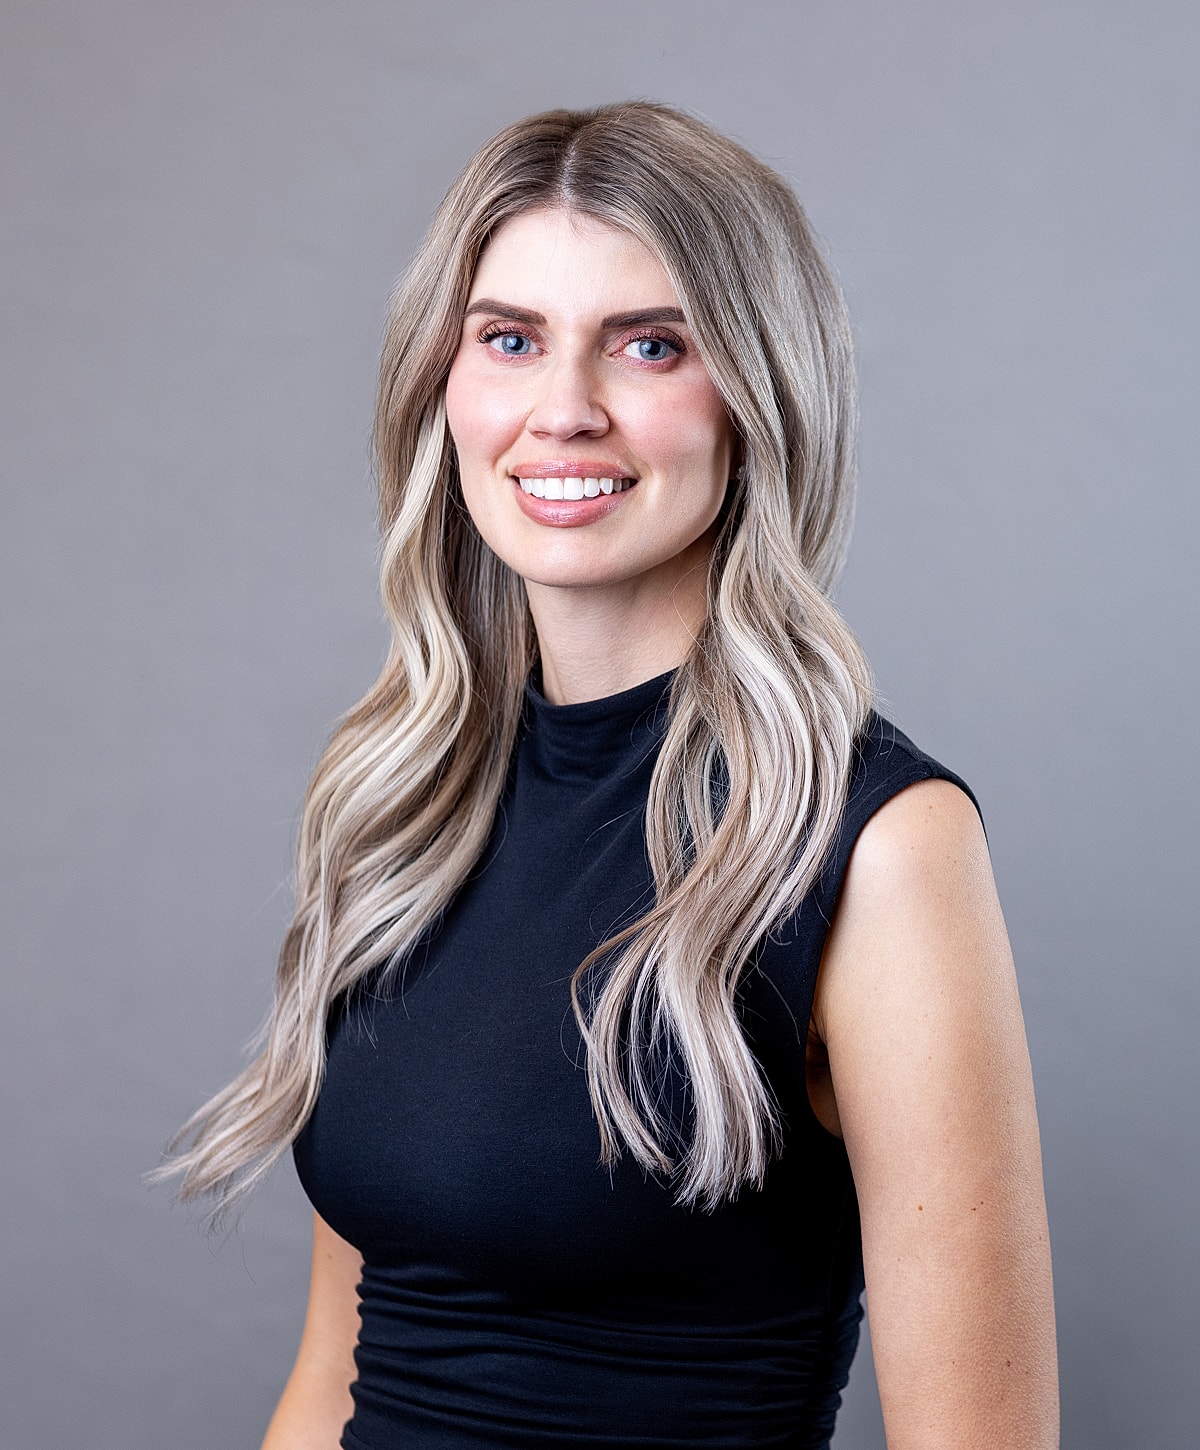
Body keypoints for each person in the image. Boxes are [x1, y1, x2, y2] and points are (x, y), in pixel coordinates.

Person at [162, 102, 1058, 1448]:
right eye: (510, 339)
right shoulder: (399, 802)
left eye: (649, 344)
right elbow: (341, 1368)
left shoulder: (874, 846)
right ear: (444, 387)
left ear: (758, 391)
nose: (563, 410)